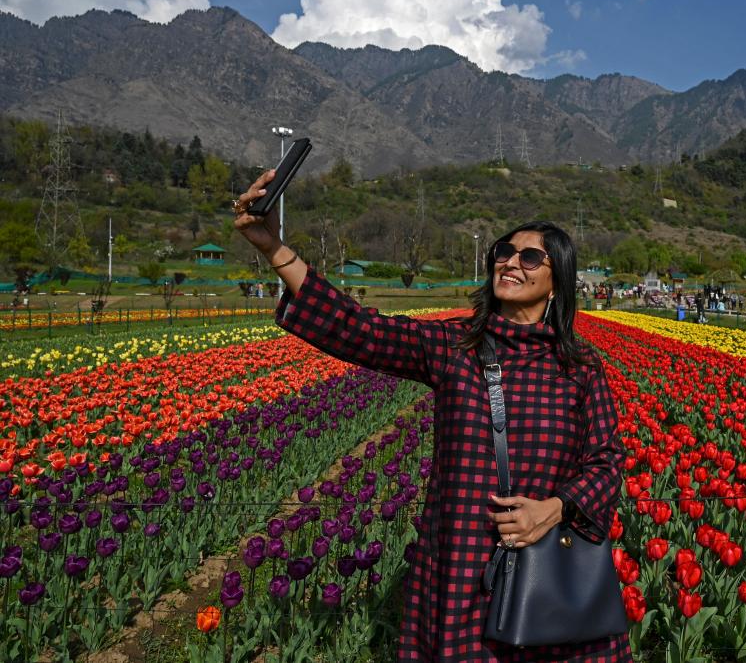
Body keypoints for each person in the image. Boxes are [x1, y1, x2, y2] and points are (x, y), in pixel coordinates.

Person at [232, 173, 630, 663]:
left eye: (530, 257)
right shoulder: (454, 348)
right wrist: (273, 247)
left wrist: (554, 508)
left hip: (546, 568)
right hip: (462, 561)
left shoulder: (580, 368)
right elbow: (358, 329)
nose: (510, 262)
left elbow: (608, 461)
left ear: (557, 282)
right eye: (503, 252)